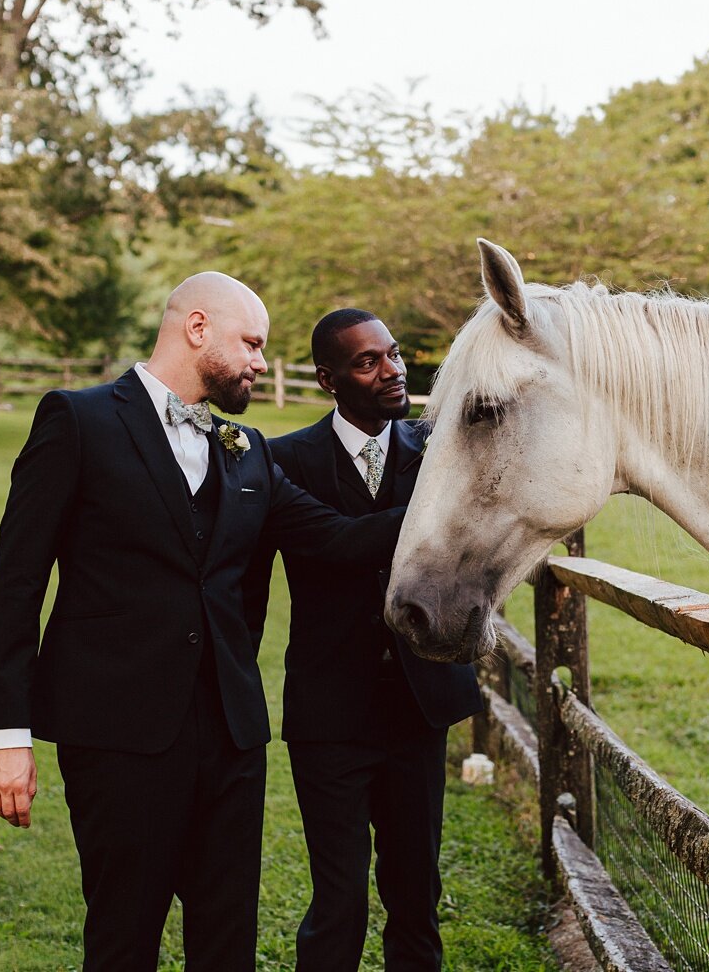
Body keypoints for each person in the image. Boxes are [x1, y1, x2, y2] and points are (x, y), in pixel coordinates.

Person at [0, 275, 404, 972]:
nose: (261, 362)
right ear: (198, 329)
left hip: (232, 740)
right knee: (123, 939)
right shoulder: (76, 421)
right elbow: (17, 584)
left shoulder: (248, 449)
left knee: (227, 941)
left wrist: (466, 500)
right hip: (117, 736)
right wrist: (5, 735)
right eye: (252, 345)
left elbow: (341, 540)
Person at [259, 309, 483, 971]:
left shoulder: (442, 450)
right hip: (330, 714)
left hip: (420, 707)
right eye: (368, 362)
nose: (392, 372)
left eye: (392, 355)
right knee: (339, 900)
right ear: (329, 379)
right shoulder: (283, 462)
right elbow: (332, 543)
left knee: (416, 894)